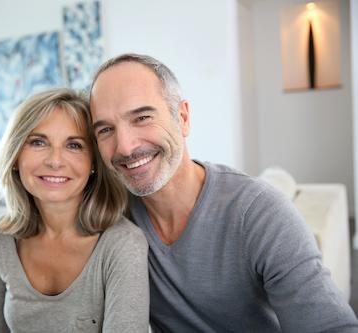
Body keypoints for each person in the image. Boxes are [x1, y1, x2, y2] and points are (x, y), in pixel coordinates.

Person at [89, 53, 358, 332]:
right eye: (106, 129)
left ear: (182, 117)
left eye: (142, 117)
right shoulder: (112, 215)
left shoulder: (259, 212)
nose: (125, 147)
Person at [0, 88, 149, 332]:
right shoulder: (1, 237)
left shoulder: (122, 244)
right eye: (38, 142)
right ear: (15, 157)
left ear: (93, 164)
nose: (55, 161)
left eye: (74, 145)